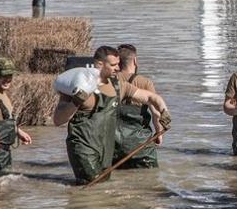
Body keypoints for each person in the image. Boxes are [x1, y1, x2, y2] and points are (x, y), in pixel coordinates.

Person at [52, 45, 169, 185]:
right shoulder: (77, 86)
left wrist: (164, 111)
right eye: (113, 65)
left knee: (103, 190)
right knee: (93, 188)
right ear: (99, 65)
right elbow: (58, 120)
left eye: (118, 64)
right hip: (83, 148)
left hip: (106, 150)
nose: (118, 68)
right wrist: (76, 102)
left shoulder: (119, 85)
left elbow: (150, 97)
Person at [113, 43, 166, 169]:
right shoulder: (145, 82)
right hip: (140, 145)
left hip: (112, 144)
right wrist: (159, 134)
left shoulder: (110, 81)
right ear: (135, 61)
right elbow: (156, 113)